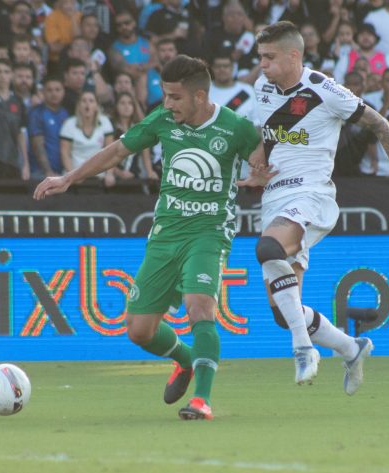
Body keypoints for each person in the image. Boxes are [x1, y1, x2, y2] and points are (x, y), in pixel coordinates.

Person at [34, 55, 261, 421]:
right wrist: (69, 178)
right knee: (139, 331)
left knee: (200, 305)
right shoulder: (162, 121)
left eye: (174, 97)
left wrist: (263, 174)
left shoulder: (236, 128)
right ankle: (185, 360)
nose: (167, 104)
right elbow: (118, 150)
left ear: (199, 96)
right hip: (165, 236)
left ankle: (202, 400)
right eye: (165, 96)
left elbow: (264, 162)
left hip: (208, 232)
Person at [245, 21, 389, 388]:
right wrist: (255, 171)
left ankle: (303, 349)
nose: (261, 64)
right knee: (284, 310)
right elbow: (264, 140)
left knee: (268, 249)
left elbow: (380, 124)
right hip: (275, 199)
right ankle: (351, 347)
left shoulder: (324, 90)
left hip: (312, 195)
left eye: (269, 57)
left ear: (294, 55)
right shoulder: (261, 88)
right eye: (260, 56)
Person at [59, 91, 115, 185]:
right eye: (83, 101)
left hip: (99, 176)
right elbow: (65, 153)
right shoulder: (69, 124)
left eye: (91, 101)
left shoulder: (105, 122)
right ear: (78, 105)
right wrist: (72, 176)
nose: (87, 104)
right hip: (75, 175)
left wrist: (110, 174)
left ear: (96, 106)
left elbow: (111, 151)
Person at [28, 76, 69, 179]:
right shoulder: (36, 113)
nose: (54, 93)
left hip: (63, 172)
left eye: (57, 90)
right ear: (43, 92)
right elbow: (37, 145)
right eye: (49, 90)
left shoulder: (66, 113)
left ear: (63, 92)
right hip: (41, 173)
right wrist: (48, 171)